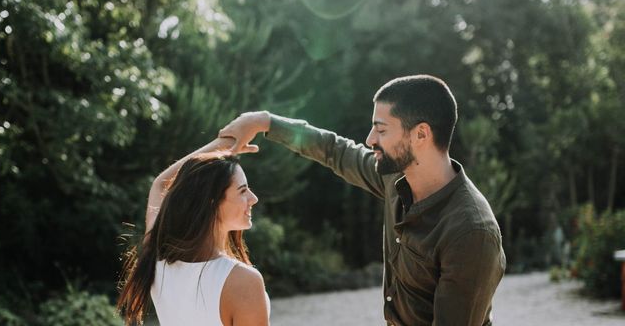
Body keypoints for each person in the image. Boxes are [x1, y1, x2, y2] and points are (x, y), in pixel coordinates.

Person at [219, 74, 506, 326]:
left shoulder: (471, 232)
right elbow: (334, 150)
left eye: (381, 130)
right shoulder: (395, 177)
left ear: (421, 134)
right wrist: (264, 122)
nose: (370, 139)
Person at [116, 137, 270, 326]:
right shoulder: (243, 281)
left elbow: (160, 184)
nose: (253, 198)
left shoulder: (156, 258)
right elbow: (160, 184)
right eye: (242, 190)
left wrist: (222, 143)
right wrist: (222, 143)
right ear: (211, 203)